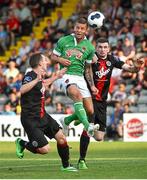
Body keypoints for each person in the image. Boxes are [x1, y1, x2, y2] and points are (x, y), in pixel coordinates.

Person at [77, 37, 144, 169]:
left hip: (102, 101)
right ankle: (81, 160)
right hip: (90, 98)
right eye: (100, 47)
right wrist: (91, 87)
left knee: (99, 137)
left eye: (105, 47)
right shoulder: (90, 58)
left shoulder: (112, 59)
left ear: (109, 49)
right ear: (96, 48)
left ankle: (75, 117)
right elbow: (86, 69)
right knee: (88, 128)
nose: (102, 50)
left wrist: (136, 66)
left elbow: (130, 69)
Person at [15, 53, 77, 172]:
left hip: (43, 116)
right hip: (31, 119)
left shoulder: (39, 77)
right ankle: (22, 143)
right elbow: (22, 89)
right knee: (45, 149)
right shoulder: (30, 75)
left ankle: (66, 165)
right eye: (44, 60)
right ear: (39, 63)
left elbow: (43, 84)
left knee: (62, 137)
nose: (47, 62)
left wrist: (57, 76)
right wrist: (37, 80)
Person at [50, 17, 99, 139]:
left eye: (82, 28)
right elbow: (52, 56)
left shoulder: (90, 47)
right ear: (74, 28)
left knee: (90, 111)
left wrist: (92, 85)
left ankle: (66, 120)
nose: (79, 30)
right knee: (75, 94)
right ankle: (88, 126)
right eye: (77, 27)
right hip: (64, 74)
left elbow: (88, 69)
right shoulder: (63, 40)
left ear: (86, 30)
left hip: (80, 77)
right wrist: (60, 59)